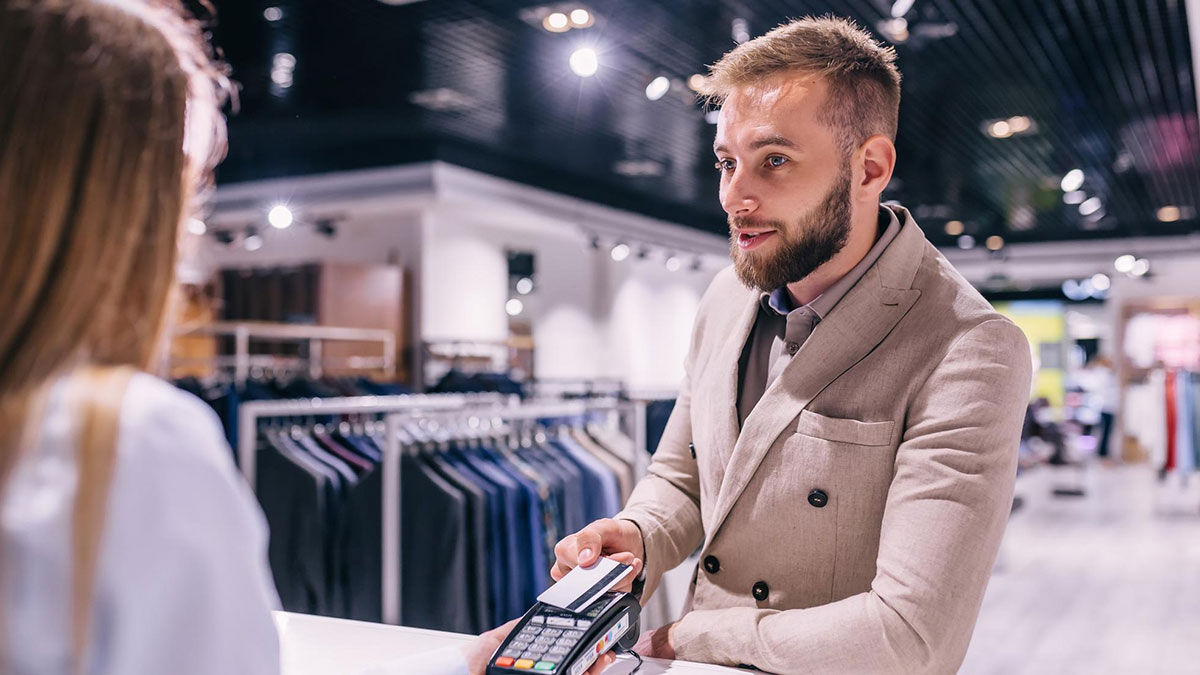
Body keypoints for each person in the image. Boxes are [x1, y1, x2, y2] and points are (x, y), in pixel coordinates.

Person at [1, 2, 568, 674]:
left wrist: (461, 660)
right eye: (185, 190)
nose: (189, 236)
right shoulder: (128, 444)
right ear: (128, 205)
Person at [550, 16, 1033, 674]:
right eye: (726, 161)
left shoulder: (969, 348)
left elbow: (912, 636)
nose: (733, 196)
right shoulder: (725, 297)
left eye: (773, 160)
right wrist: (636, 534)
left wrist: (696, 636)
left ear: (869, 167)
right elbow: (684, 478)